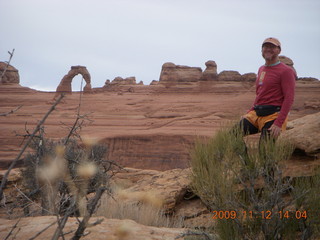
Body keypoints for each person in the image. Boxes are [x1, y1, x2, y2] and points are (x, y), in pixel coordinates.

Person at [239, 37, 296, 141]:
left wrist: (278, 123)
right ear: (261, 50)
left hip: (273, 115)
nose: (268, 49)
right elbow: (260, 94)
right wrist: (249, 112)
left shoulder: (286, 71)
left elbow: (289, 98)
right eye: (265, 46)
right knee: (232, 135)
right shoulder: (261, 69)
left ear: (279, 50)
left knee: (265, 149)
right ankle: (243, 158)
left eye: (272, 47)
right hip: (257, 113)